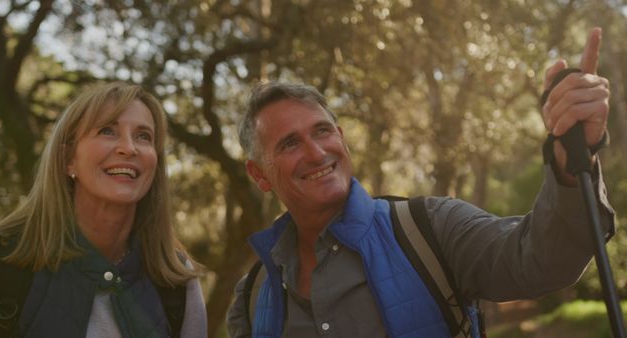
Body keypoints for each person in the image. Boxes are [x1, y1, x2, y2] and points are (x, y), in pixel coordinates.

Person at [226, 27, 615, 338]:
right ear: (259, 175)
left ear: (342, 138)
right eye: (290, 142)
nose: (315, 152)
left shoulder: (429, 229)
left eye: (323, 131)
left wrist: (569, 158)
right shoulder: (252, 295)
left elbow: (540, 261)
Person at [0, 82, 208, 337]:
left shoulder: (178, 283)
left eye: (143, 136)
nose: (129, 147)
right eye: (107, 131)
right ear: (67, 160)